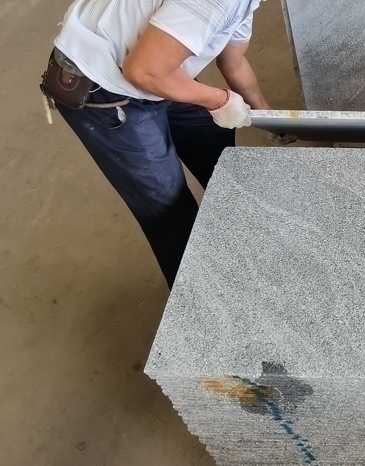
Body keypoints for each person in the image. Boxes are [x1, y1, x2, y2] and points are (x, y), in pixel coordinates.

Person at [45, 0, 291, 288]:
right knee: (170, 209)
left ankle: (247, 246)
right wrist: (219, 100)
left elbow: (233, 61)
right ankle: (203, 299)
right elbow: (143, 71)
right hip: (102, 81)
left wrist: (269, 117)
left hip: (154, 62)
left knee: (216, 145)